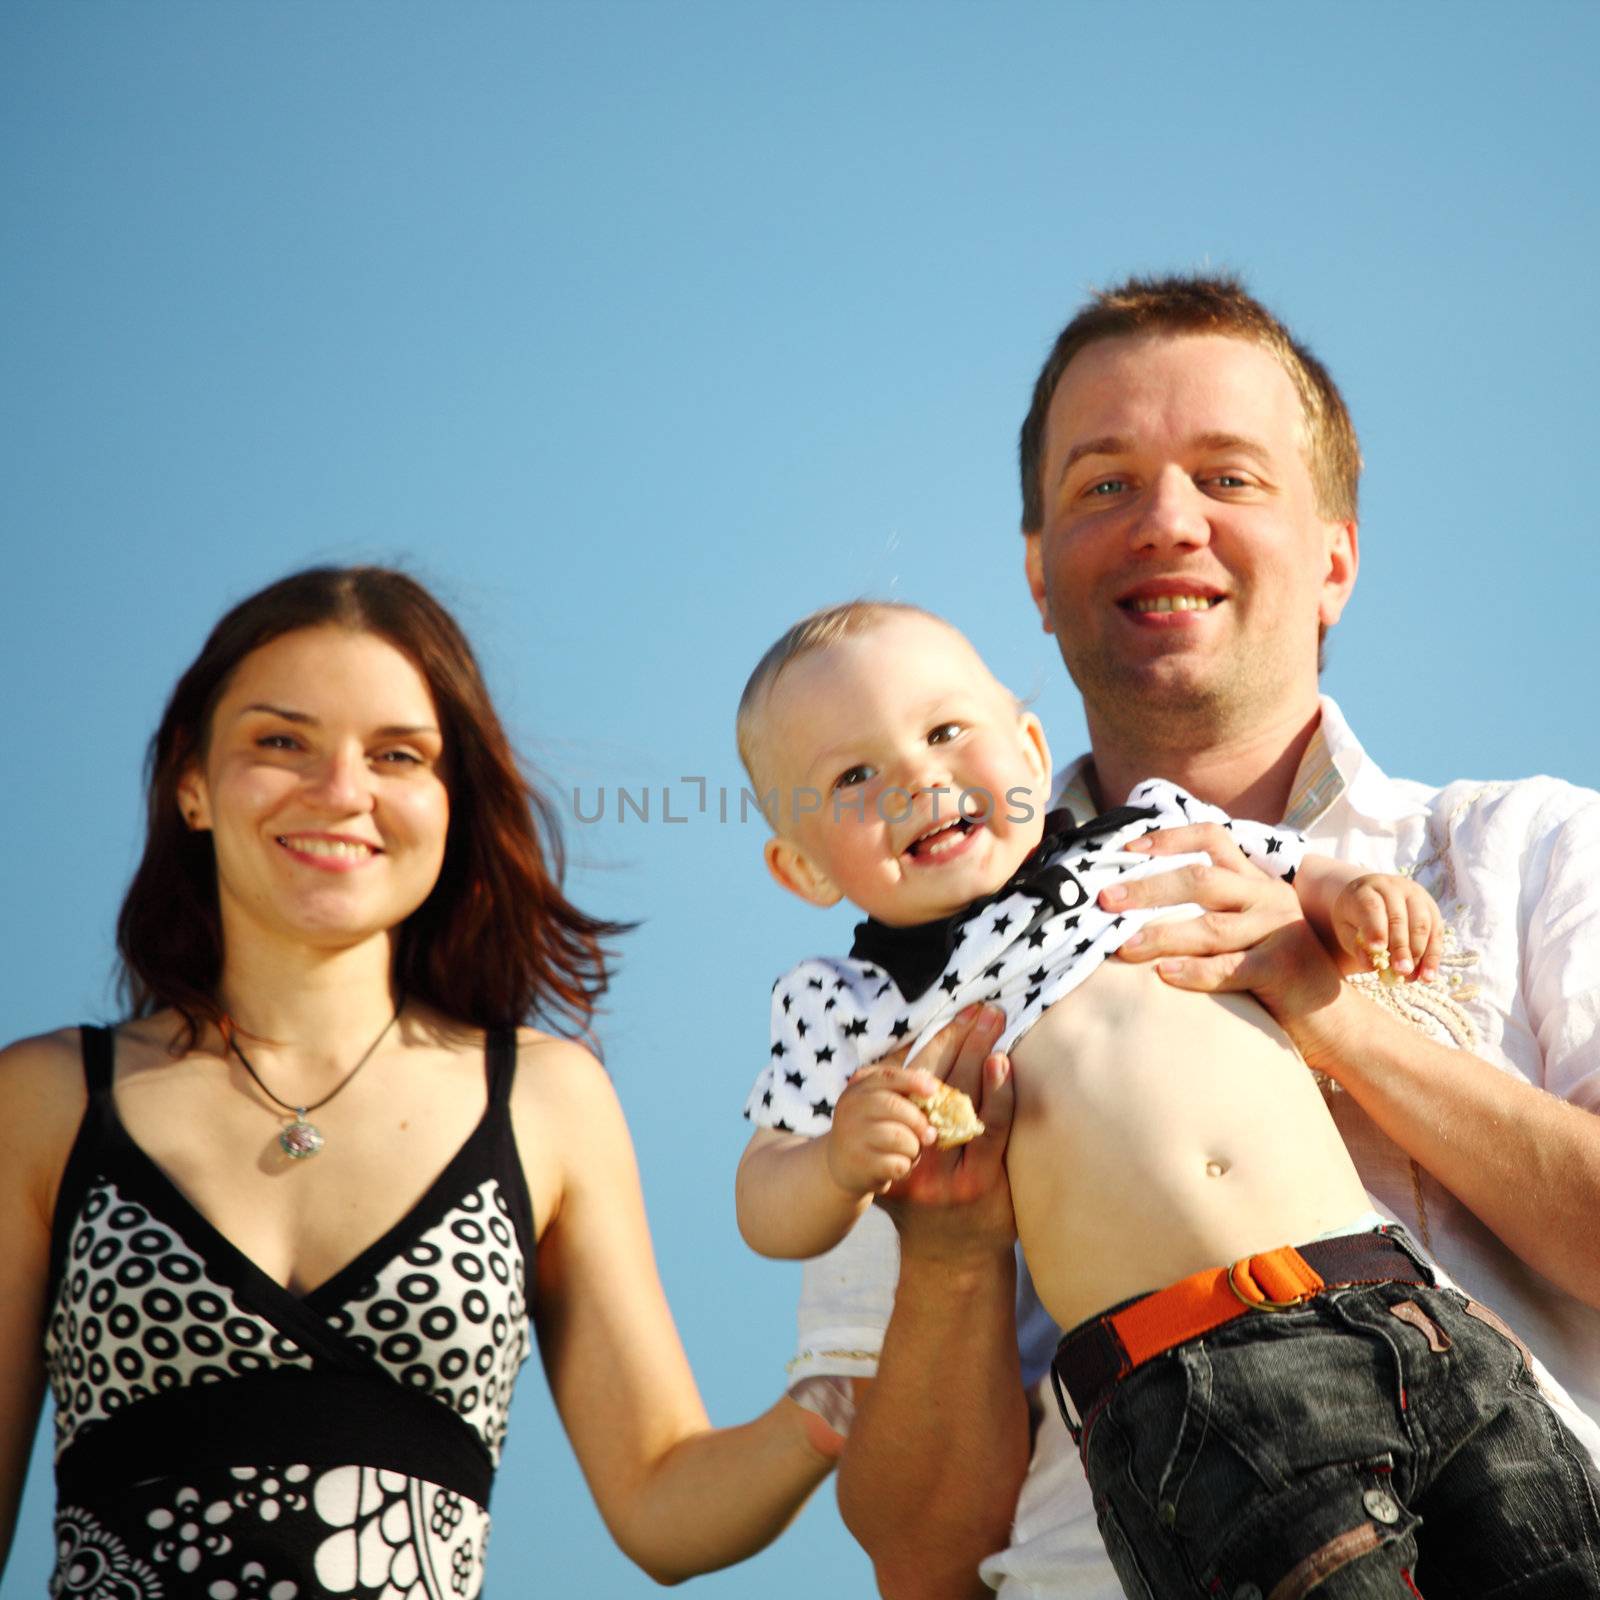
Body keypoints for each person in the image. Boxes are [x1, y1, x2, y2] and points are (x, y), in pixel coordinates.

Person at [781, 276, 1600, 1599]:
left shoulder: (1537, 850)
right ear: (1037, 572)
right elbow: (918, 1559)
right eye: (1105, 485)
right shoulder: (919, 989)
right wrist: (945, 1252)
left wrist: (1329, 1006)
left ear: (1336, 552)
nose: (1168, 523)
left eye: (1227, 476)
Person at [0, 566, 840, 1598]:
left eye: (397, 755)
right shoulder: (46, 1100)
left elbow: (663, 1503)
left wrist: (834, 1405)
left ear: (452, 800)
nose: (341, 790)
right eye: (279, 742)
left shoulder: (543, 1099)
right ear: (191, 782)